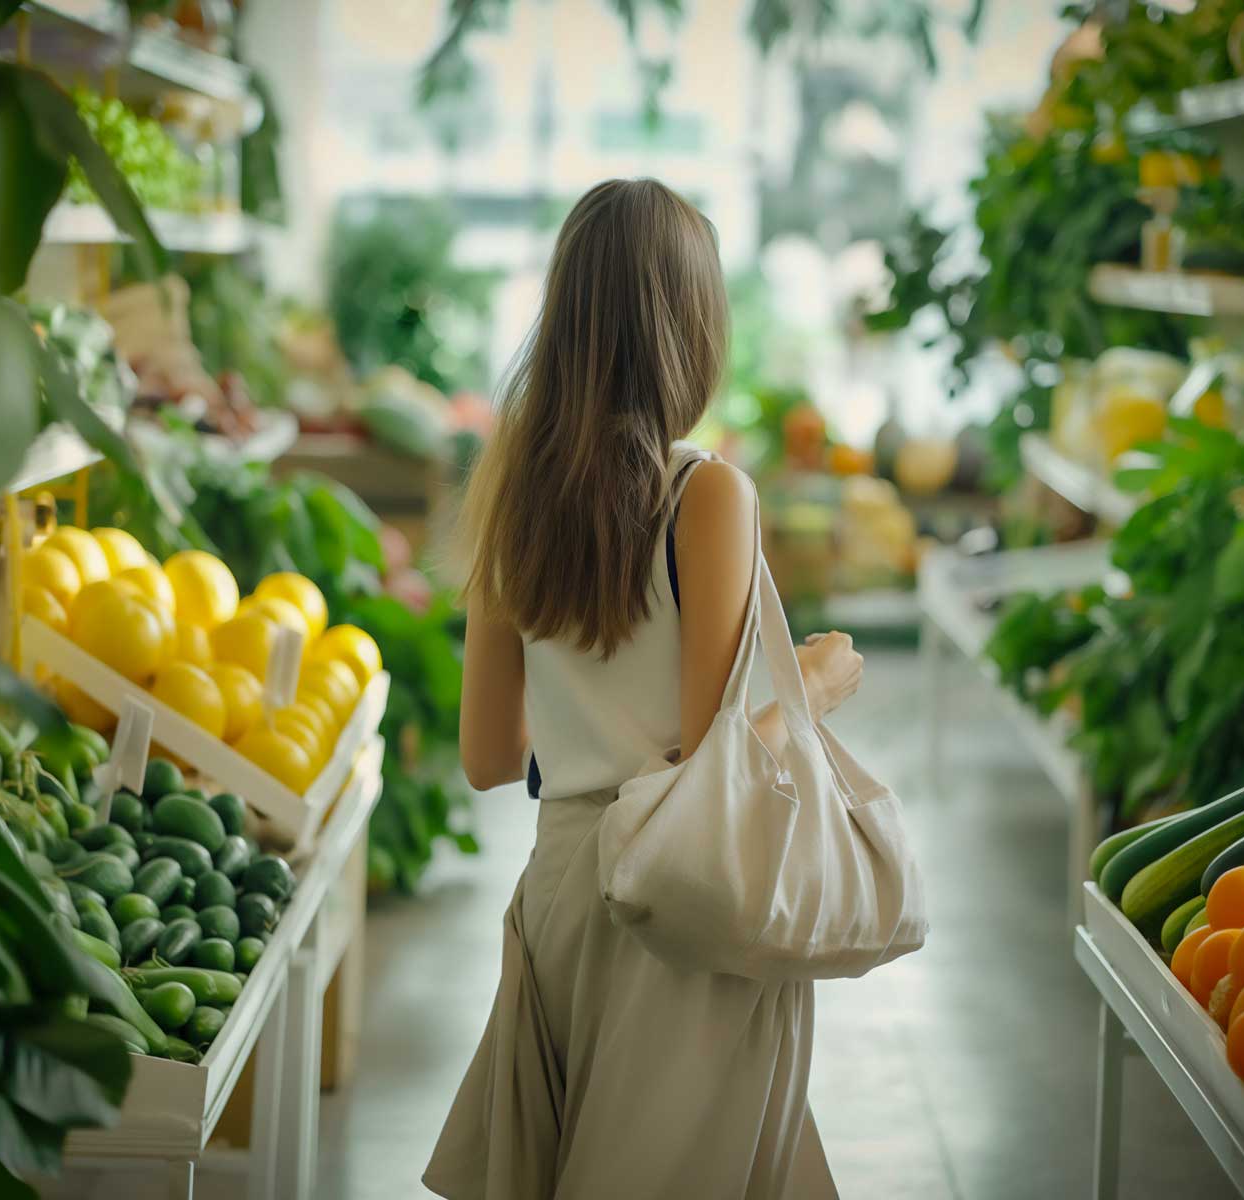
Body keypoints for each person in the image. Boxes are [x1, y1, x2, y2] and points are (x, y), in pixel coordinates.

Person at [424, 178, 866, 1199]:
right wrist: (816, 679)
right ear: (690, 325)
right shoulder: (706, 494)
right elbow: (713, 763)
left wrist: (586, 718)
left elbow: (490, 759)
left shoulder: (512, 488)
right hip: (671, 902)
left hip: (560, 895)